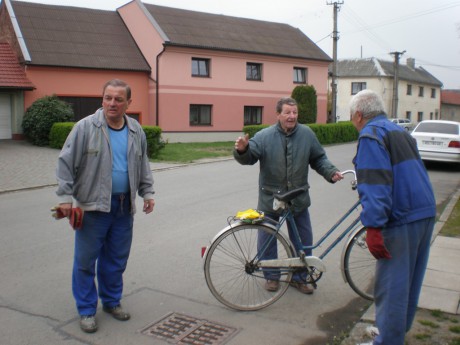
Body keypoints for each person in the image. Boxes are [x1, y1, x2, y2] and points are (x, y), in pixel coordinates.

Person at [55, 79, 155, 333]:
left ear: (128, 103)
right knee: (86, 261)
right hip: (92, 207)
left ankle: (111, 302)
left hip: (123, 207)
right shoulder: (86, 127)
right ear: (102, 99)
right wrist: (65, 198)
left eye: (118, 99)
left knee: (115, 260)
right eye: (108, 98)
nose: (112, 103)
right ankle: (87, 309)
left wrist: (148, 192)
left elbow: (143, 164)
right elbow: (65, 163)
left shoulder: (136, 131)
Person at [349, 90, 436, 345]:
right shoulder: (399, 131)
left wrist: (374, 227)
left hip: (401, 218)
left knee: (392, 287)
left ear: (358, 115)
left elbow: (376, 184)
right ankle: (394, 335)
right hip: (424, 212)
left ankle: (388, 341)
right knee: (409, 284)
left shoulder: (370, 134)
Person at [233, 97, 343, 295]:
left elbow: (319, 158)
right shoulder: (265, 136)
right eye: (287, 113)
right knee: (267, 237)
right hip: (270, 197)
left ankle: (299, 277)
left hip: (298, 197)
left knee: (303, 239)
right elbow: (250, 156)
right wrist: (243, 150)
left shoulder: (307, 134)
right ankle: (271, 276)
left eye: (295, 113)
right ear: (278, 115)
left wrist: (331, 172)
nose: (292, 116)